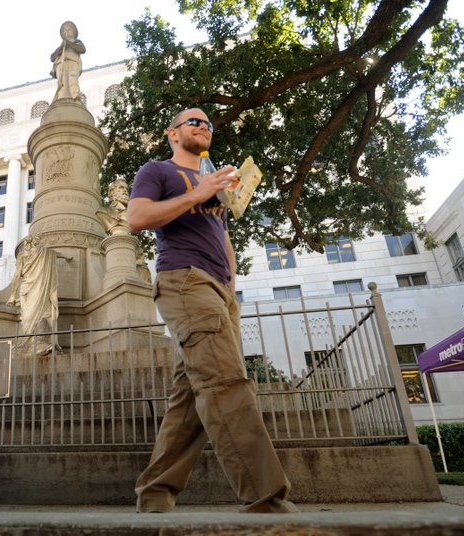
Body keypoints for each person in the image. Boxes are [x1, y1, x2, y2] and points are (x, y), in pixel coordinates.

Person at [128, 108, 297, 514]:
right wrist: (196, 193)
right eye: (194, 122)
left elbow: (220, 234)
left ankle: (155, 494)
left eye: (209, 124)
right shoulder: (159, 171)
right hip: (184, 282)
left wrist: (231, 285)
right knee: (224, 383)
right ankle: (264, 498)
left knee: (189, 399)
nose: (204, 127)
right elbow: (137, 218)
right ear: (173, 133)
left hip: (220, 291)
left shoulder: (218, 182)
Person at [7, 235, 71, 355]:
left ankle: (36, 343)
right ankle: (31, 344)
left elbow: (16, 276)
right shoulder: (45, 252)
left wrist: (12, 295)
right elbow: (56, 253)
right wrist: (67, 257)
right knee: (37, 315)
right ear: (38, 242)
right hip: (39, 288)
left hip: (28, 289)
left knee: (29, 317)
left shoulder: (27, 255)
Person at [50, 21, 85, 101]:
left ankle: (75, 96)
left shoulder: (76, 42)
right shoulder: (61, 46)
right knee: (62, 82)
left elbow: (82, 49)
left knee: (72, 77)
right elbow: (52, 57)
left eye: (69, 29)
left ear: (73, 32)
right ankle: (61, 98)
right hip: (61, 64)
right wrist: (60, 49)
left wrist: (70, 44)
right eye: (65, 30)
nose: (66, 32)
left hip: (73, 62)